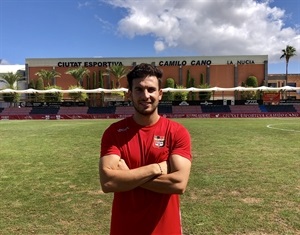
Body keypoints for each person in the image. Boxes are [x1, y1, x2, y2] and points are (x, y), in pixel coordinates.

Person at [99, 63, 192, 235]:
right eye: (139, 90)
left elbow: (178, 183)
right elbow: (108, 182)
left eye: (151, 89)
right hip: (125, 229)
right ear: (130, 94)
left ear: (160, 93)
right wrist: (156, 168)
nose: (146, 95)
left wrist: (128, 176)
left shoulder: (177, 132)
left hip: (166, 230)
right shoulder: (114, 133)